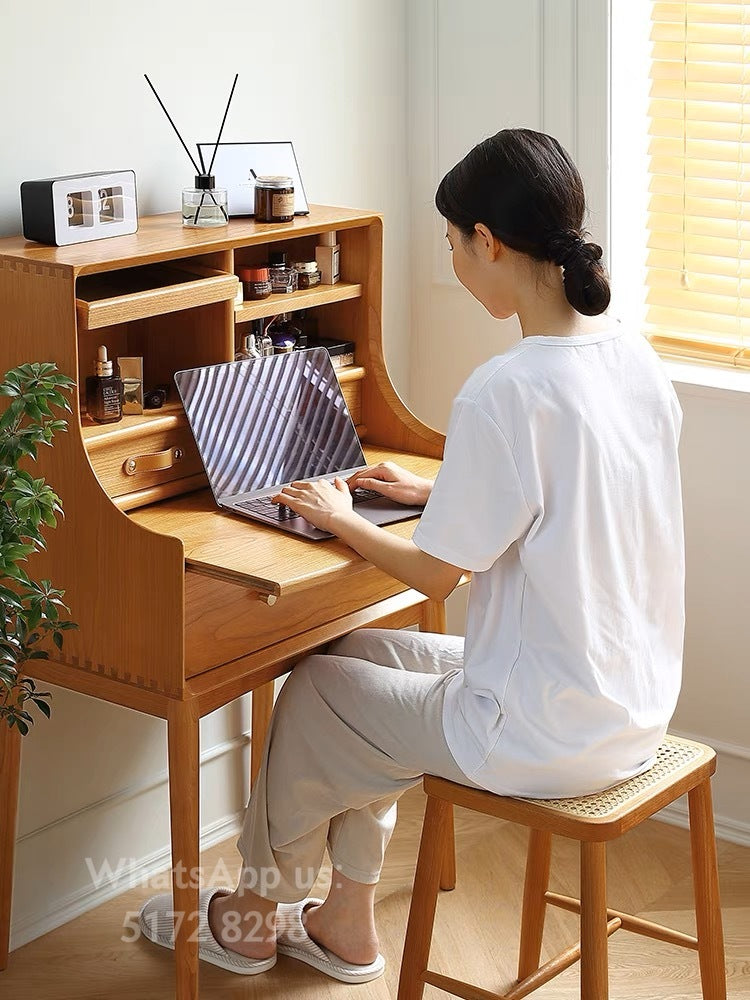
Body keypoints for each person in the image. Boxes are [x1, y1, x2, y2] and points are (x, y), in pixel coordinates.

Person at [139, 128, 685, 983]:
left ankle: (250, 920)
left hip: (543, 730)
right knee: (350, 652)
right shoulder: (633, 360)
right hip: (624, 701)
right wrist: (437, 493)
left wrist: (338, 513)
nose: (456, 262)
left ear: (488, 242)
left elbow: (439, 574)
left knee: (317, 689)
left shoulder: (510, 388)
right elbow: (577, 503)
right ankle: (345, 924)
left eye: (452, 243)